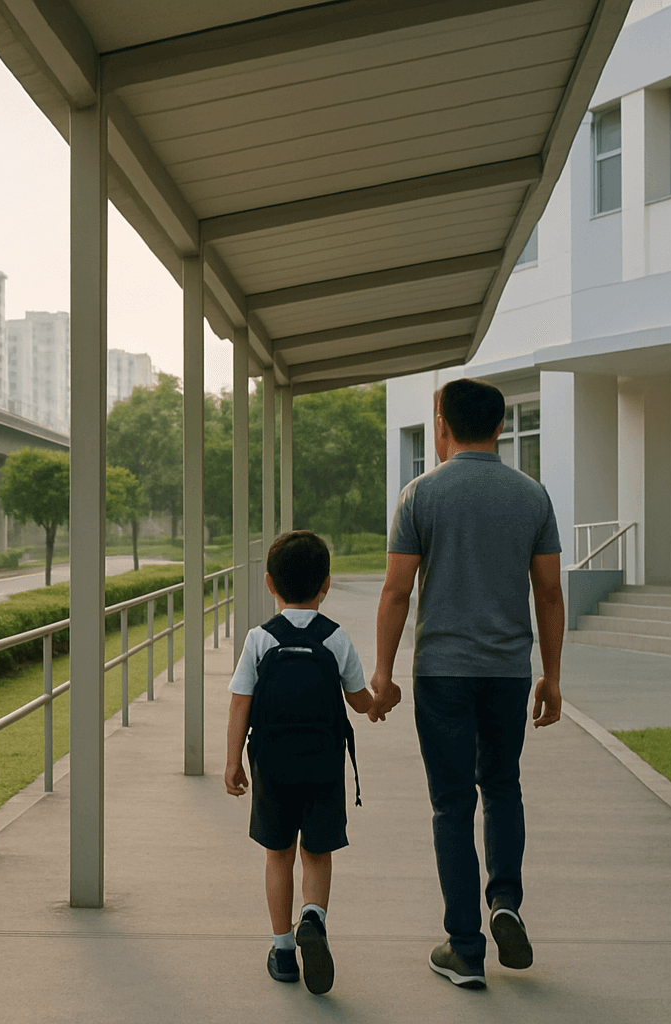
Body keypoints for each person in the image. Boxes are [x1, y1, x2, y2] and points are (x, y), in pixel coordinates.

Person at [368, 377, 565, 991]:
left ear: (442, 427)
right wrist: (552, 677)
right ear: (500, 427)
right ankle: (505, 901)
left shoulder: (419, 495)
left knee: (451, 804)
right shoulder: (532, 497)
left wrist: (383, 672)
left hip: (443, 673)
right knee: (502, 786)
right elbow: (550, 591)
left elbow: (398, 589)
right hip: (508, 672)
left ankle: (465, 948)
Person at [225, 530, 375, 995]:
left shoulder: (258, 640)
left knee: (279, 854)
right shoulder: (336, 639)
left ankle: (284, 951)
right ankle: (314, 916)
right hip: (323, 764)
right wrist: (378, 702)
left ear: (270, 583)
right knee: (317, 851)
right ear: (325, 584)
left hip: (272, 764)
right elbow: (357, 700)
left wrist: (232, 762)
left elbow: (239, 704)